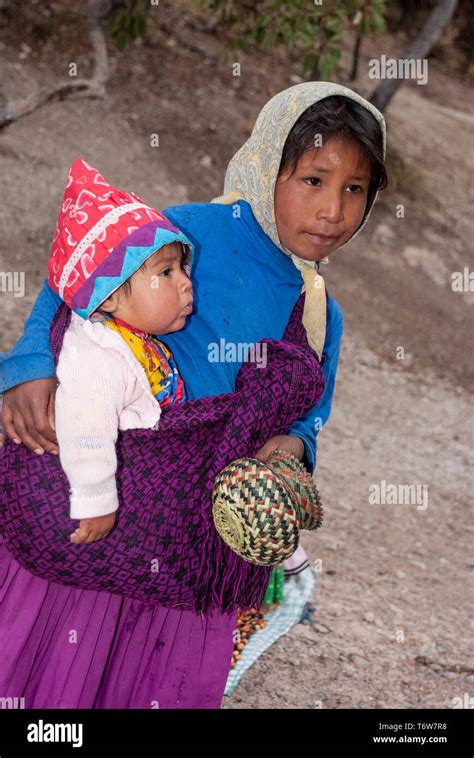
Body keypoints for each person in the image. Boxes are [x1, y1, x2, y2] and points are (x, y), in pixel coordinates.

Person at [0, 82, 387, 708]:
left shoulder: (318, 314)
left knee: (152, 678)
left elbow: (311, 413)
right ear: (266, 163)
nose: (333, 210)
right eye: (313, 180)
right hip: (107, 504)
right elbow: (76, 275)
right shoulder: (184, 232)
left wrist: (293, 444)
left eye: (354, 190)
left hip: (189, 544)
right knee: (54, 668)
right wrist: (28, 368)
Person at [44, 158, 194, 544]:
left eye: (182, 268)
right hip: (100, 515)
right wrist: (97, 500)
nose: (185, 283)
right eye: (166, 273)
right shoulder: (98, 354)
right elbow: (86, 428)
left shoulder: (136, 341)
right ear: (109, 296)